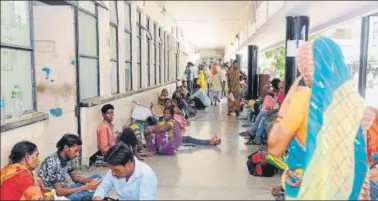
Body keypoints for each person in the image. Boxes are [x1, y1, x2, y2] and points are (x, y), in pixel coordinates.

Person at [267, 37, 370, 200]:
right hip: (346, 192)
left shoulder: (303, 100)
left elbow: (274, 148)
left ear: (305, 68)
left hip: (306, 189)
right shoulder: (356, 103)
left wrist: (286, 104)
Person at [38, 134, 102, 200]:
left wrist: (92, 182)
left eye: (78, 151)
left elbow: (75, 178)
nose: (77, 154)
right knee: (87, 195)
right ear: (66, 148)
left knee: (97, 177)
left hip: (66, 188)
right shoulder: (52, 162)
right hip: (58, 196)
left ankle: (93, 192)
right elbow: (59, 192)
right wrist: (85, 187)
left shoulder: (68, 157)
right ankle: (92, 193)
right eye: (75, 151)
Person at [93, 143, 158, 200]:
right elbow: (103, 187)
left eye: (116, 170)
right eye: (111, 169)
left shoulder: (146, 175)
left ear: (129, 163)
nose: (113, 173)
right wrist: (97, 198)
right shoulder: (114, 169)